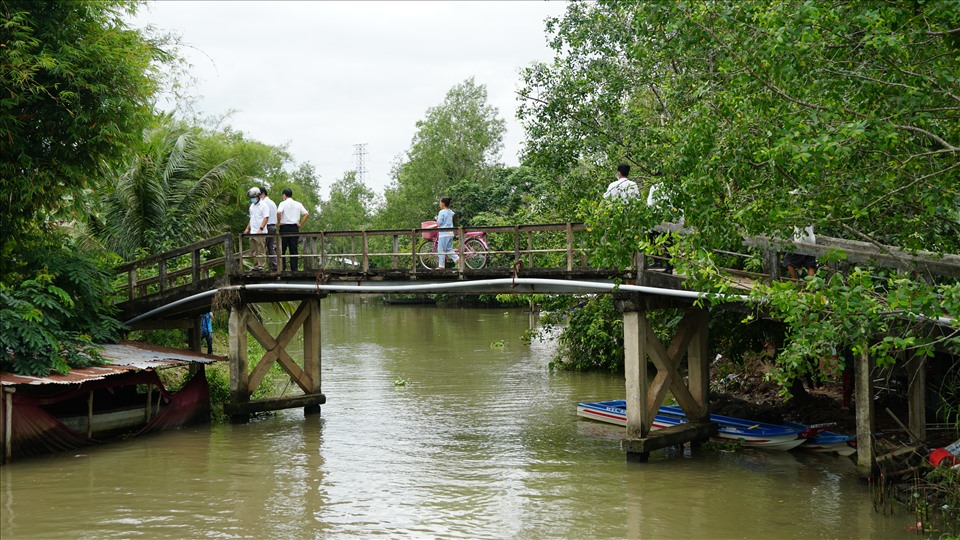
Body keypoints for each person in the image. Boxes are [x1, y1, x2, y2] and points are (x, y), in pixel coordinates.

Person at [277, 188, 310, 272]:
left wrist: (279, 222)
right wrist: (301, 224)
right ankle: (294, 269)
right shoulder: (298, 204)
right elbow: (306, 214)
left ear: (284, 195)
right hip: (294, 228)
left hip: (284, 227)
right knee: (294, 249)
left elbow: (278, 212)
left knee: (282, 249)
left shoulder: (283, 203)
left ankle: (282, 268)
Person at [242, 187, 268, 271]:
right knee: (253, 250)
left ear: (258, 196)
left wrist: (261, 229)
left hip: (260, 231)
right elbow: (251, 218)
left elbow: (266, 218)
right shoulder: (251, 206)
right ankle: (255, 266)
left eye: (253, 197)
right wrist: (247, 229)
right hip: (252, 231)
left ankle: (261, 266)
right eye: (251, 198)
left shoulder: (264, 205)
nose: (252, 199)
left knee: (261, 249)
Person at [435, 196, 459, 270]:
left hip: (444, 233)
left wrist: (436, 219)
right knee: (449, 249)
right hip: (450, 233)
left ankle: (441, 266)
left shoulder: (441, 212)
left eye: (440, 202)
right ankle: (458, 259)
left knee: (441, 250)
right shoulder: (450, 212)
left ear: (443, 203)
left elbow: (439, 223)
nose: (439, 203)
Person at [259, 186, 279, 272]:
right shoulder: (272, 203)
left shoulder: (263, 203)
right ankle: (274, 265)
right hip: (273, 226)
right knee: (271, 247)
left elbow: (263, 216)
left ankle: (261, 266)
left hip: (266, 226)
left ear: (262, 194)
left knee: (262, 246)